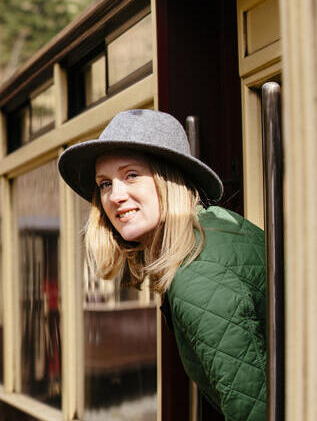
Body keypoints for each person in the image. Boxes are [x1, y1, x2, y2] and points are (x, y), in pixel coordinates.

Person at [57, 109, 267, 421]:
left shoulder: (196, 271)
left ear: (169, 180)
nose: (115, 196)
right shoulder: (213, 228)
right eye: (105, 184)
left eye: (131, 175)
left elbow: (254, 410)